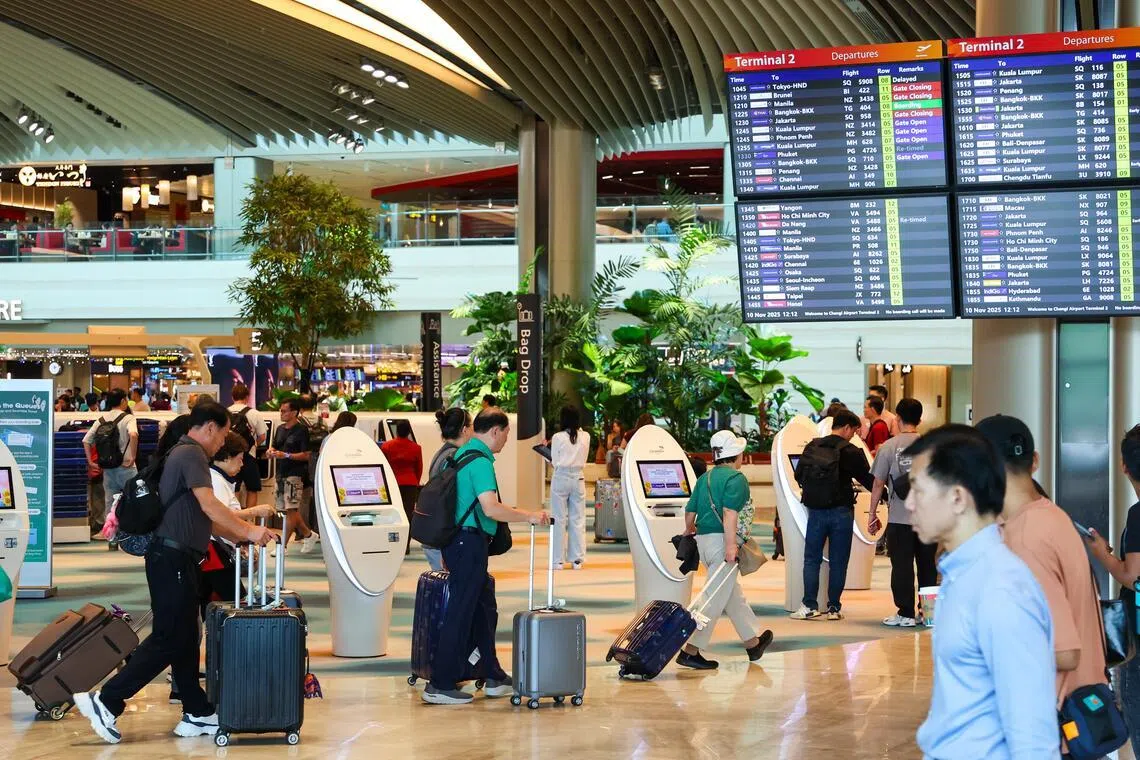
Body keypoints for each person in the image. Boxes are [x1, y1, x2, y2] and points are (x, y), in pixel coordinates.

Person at [73, 402, 276, 745]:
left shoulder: (183, 454)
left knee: (184, 637)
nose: (222, 442)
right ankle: (106, 701)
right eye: (223, 434)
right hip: (172, 559)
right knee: (169, 638)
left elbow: (205, 518)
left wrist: (241, 535)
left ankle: (196, 711)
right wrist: (250, 530)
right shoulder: (192, 454)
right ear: (210, 427)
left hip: (178, 559)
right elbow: (210, 505)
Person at [906, 424, 1058, 759]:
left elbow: (1033, 736)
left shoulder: (1000, 588)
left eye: (917, 490)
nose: (909, 503)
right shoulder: (963, 576)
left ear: (957, 498)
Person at [975, 413, 1106, 713]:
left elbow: (1065, 652)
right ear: (1034, 460)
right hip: (1078, 707)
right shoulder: (1051, 516)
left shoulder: (1024, 538)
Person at [422, 408, 549, 706]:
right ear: (495, 431)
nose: (506, 439)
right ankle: (440, 683)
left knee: (483, 609)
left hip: (460, 543)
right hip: (468, 544)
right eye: (506, 433)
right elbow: (490, 508)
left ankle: (492, 674)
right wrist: (529, 515)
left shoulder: (461, 455)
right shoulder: (479, 462)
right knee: (461, 612)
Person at [678, 430, 774, 670]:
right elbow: (730, 513)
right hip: (723, 543)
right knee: (712, 599)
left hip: (704, 542)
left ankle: (753, 643)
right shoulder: (736, 479)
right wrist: (731, 546)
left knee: (731, 594)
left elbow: (690, 512)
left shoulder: (705, 478)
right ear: (736, 454)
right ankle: (690, 651)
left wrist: (689, 530)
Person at [1084, 422, 1140, 755]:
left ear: (1124, 466)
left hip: (1138, 634)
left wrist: (1101, 554)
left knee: (1136, 709)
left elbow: (1134, 577)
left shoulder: (1138, 514)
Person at [791, 409, 874, 620]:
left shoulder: (812, 446)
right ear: (846, 428)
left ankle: (809, 605)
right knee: (838, 561)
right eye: (854, 431)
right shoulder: (851, 451)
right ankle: (834, 608)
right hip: (841, 512)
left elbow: (798, 474)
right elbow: (868, 479)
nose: (853, 436)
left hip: (816, 511)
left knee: (812, 559)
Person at [869, 398, 934, 627]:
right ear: (920, 419)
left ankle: (906, 614)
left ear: (897, 418)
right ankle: (928, 613)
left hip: (899, 518)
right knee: (927, 567)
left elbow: (878, 484)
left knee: (902, 567)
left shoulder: (889, 446)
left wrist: (872, 514)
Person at [266, 399, 317, 554]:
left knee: (291, 508)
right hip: (281, 473)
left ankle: (282, 546)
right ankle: (308, 534)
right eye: (280, 410)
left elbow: (306, 455)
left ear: (294, 412)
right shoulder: (280, 429)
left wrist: (286, 455)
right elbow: (275, 446)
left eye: (284, 411)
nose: (281, 413)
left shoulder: (301, 430)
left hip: (295, 474)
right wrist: (271, 452)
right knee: (288, 511)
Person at [424, 408, 473, 571]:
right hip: (444, 536)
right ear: (464, 430)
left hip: (435, 530)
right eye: (471, 426)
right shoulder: (454, 457)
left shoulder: (442, 453)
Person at [550, 406, 591, 570]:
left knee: (558, 519)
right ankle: (577, 560)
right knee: (578, 518)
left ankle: (557, 560)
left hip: (561, 477)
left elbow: (554, 461)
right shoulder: (586, 436)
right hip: (578, 477)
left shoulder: (558, 437)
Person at [82, 389, 139, 506]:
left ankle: (111, 519)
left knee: (110, 503)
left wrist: (91, 462)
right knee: (133, 502)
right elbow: (133, 434)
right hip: (127, 467)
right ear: (123, 401)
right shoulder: (128, 418)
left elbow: (86, 440)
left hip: (108, 468)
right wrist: (133, 457)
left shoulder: (102, 419)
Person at [226, 383, 267, 510]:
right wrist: (253, 445)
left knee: (234, 487)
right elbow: (262, 436)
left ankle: (235, 515)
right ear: (247, 397)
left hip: (230, 456)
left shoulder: (225, 412)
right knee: (252, 488)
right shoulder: (254, 413)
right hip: (249, 456)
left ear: (232, 397)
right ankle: (249, 518)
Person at [380, 419, 424, 530]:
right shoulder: (416, 448)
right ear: (409, 432)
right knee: (408, 513)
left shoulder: (386, 446)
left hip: (393, 483)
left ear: (397, 431)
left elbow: (383, 467)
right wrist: (416, 482)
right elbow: (419, 468)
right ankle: (407, 538)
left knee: (394, 512)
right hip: (410, 484)